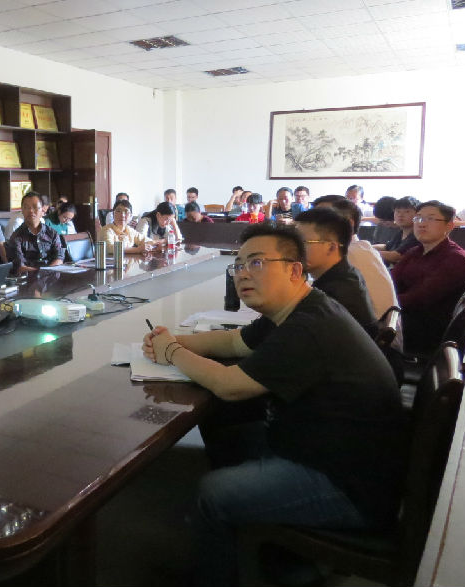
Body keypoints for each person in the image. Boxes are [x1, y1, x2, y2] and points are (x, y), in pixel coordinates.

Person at [142, 224, 403, 586]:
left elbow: (230, 386)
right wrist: (174, 340)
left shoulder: (309, 326)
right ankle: (262, 550)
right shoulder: (299, 309)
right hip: (321, 449)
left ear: (294, 270)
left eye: (257, 263)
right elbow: (234, 342)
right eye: (239, 265)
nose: (243, 274)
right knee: (227, 435)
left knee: (213, 493)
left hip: (348, 487)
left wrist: (171, 352)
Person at [392, 200, 465, 353]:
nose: (421, 224)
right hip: (404, 316)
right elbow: (390, 281)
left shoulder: (456, 259)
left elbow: (418, 299)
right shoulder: (414, 252)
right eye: (418, 218)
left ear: (449, 226)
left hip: (426, 330)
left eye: (430, 218)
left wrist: (381, 303)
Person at [314, 195, 399, 319]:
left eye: (324, 217)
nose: (314, 223)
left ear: (349, 223)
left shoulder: (345, 253)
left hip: (373, 327)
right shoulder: (359, 247)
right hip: (380, 324)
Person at [294, 207, 377, 330]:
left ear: (331, 247)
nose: (293, 249)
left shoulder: (334, 294)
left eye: (302, 242)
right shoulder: (345, 274)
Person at [6, 191, 63, 274]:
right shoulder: (16, 237)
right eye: (26, 207)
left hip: (51, 276)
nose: (31, 211)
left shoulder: (52, 233)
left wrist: (47, 273)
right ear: (22, 210)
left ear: (42, 210)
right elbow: (20, 267)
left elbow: (59, 258)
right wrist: (41, 274)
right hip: (28, 278)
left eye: (35, 207)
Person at [375, 196, 420, 265]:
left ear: (417, 215)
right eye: (398, 211)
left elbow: (395, 256)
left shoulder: (417, 235)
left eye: (407, 211)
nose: (400, 215)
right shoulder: (401, 232)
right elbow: (386, 247)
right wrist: (367, 246)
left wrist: (369, 251)